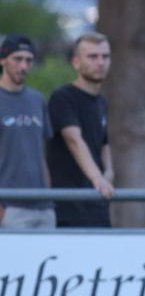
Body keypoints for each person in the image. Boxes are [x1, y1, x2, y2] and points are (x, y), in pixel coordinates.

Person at [47, 33, 115, 227]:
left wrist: (109, 172)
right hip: (69, 208)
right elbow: (74, 140)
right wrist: (97, 178)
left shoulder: (101, 102)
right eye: (92, 57)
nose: (100, 62)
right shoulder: (63, 98)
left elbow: (104, 142)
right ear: (76, 62)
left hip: (97, 205)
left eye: (105, 56)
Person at [0, 34, 54, 229]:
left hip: (44, 207)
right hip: (10, 207)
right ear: (3, 60)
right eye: (18, 59)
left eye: (28, 60)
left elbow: (41, 155)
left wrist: (49, 198)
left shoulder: (37, 100)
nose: (23, 66)